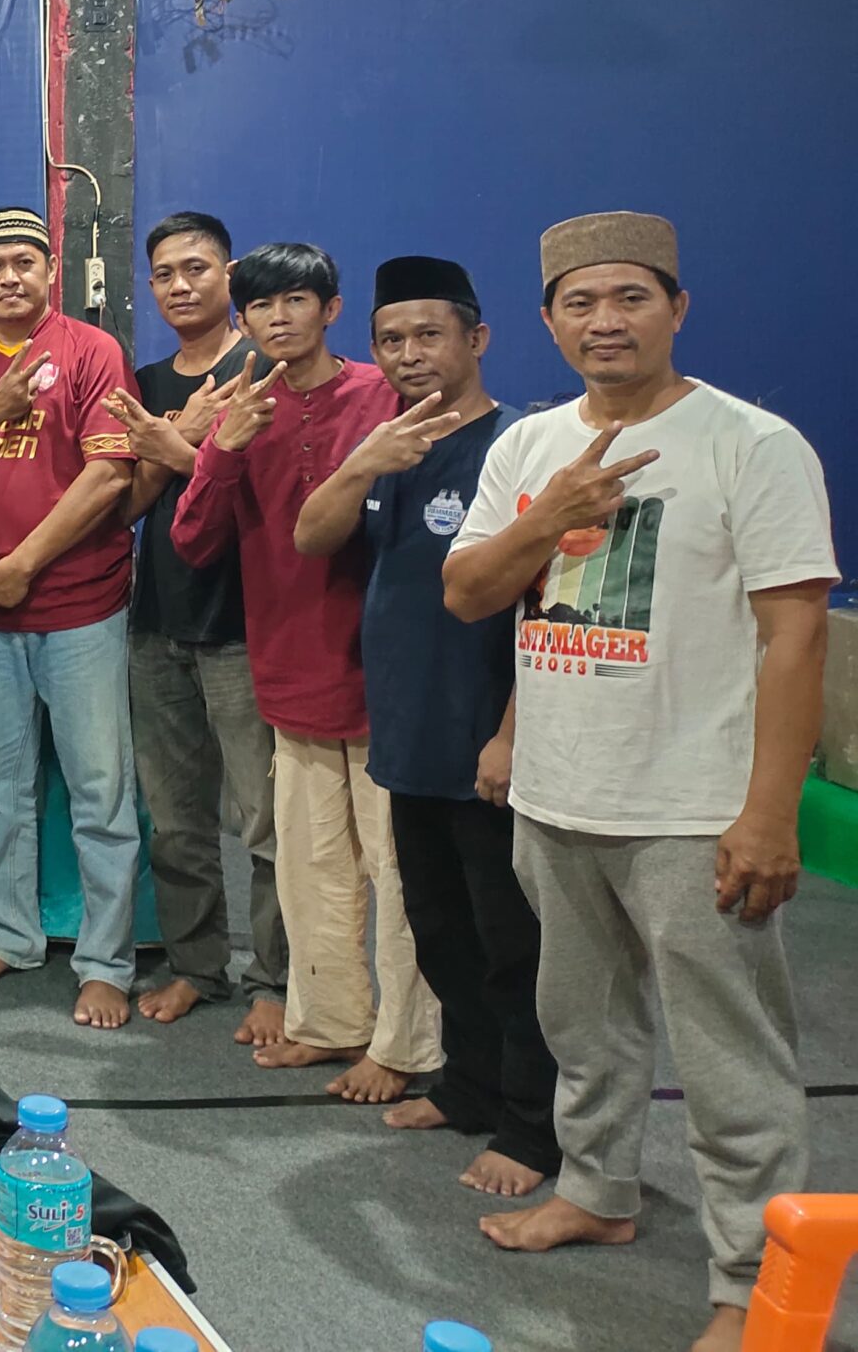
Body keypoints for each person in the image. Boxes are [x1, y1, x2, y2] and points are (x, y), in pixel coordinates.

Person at [447, 213, 835, 1352]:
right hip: (559, 791)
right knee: (584, 1024)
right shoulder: (530, 446)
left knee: (731, 1061)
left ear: (676, 307)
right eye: (580, 302)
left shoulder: (751, 443)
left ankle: (756, 1287)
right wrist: (554, 518)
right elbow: (472, 592)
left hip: (693, 807)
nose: (604, 321)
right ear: (547, 320)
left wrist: (768, 812)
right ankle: (597, 1189)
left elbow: (797, 636)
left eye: (630, 297)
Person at [292, 256, 555, 1197]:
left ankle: (534, 1130)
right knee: (439, 930)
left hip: (486, 739)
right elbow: (312, 535)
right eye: (391, 339)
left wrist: (511, 732)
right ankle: (470, 1085)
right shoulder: (390, 447)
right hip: (407, 734)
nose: (409, 354)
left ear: (476, 338)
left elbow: (548, 604)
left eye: (429, 334)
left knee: (512, 945)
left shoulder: (518, 443)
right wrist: (366, 459)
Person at [167, 241, 440, 1102]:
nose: (278, 317)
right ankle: (329, 1023)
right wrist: (222, 448)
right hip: (289, 666)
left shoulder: (385, 397)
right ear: (243, 319)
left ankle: (407, 1043)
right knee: (311, 866)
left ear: (331, 308)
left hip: (385, 674)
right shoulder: (246, 408)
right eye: (260, 305)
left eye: (295, 299)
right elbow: (192, 540)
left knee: (400, 871)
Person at [0, 207, 141, 1030]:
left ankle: (106, 962)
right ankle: (11, 934)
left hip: (81, 606)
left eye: (25, 261)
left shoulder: (91, 351)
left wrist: (26, 562)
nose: (10, 277)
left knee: (100, 792)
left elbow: (109, 477)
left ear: (51, 269)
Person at [103, 210, 287, 1045]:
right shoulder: (146, 381)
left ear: (229, 273)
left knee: (265, 820)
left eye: (196, 269)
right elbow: (127, 507)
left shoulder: (267, 370)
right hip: (158, 624)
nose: (180, 285)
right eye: (165, 274)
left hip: (247, 625)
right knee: (175, 818)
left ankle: (276, 977)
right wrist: (173, 439)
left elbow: (275, 500)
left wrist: (186, 454)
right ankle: (197, 965)